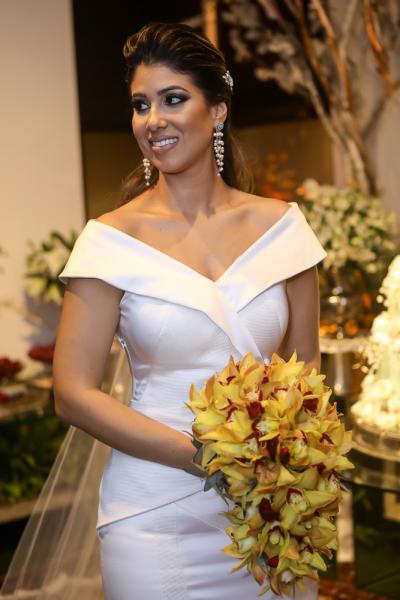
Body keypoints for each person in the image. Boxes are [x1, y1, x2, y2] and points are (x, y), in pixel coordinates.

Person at [42, 21, 327, 599]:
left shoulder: (284, 232)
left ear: (217, 110)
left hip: (269, 509)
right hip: (154, 515)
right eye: (140, 105)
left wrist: (289, 478)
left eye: (173, 99)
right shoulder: (109, 242)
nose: (153, 120)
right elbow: (72, 394)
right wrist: (210, 457)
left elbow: (307, 380)